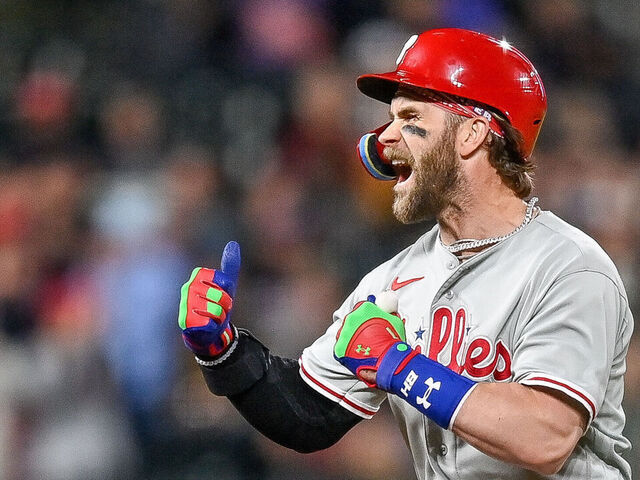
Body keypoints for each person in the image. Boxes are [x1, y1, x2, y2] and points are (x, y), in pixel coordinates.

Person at [177, 28, 633, 479]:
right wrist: (224, 352)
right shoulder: (395, 278)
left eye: (410, 119)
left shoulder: (570, 267)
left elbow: (545, 438)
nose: (383, 140)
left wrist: (402, 367)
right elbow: (308, 414)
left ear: (472, 133)